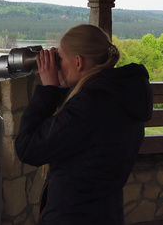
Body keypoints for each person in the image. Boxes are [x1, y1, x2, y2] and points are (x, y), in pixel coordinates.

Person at [15, 24, 153, 225]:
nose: (58, 64)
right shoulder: (120, 95)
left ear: (78, 62)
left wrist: (49, 90)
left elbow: (28, 147)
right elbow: (75, 136)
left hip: (74, 215)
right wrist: (63, 87)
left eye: (60, 58)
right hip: (105, 212)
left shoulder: (91, 105)